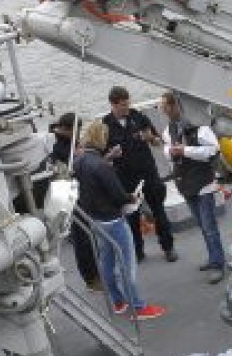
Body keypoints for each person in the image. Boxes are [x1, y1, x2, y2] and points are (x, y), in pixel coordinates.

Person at [73, 119, 167, 321]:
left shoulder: (79, 161)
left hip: (96, 220)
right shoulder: (101, 166)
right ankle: (137, 307)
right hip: (113, 221)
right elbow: (118, 196)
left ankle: (118, 302)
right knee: (127, 265)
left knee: (107, 262)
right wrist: (133, 197)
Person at [103, 86, 177, 263]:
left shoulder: (138, 117)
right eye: (123, 105)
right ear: (113, 104)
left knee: (158, 210)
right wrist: (111, 155)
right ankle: (137, 251)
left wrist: (150, 138)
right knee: (132, 216)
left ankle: (168, 247)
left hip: (147, 172)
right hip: (125, 177)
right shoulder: (105, 125)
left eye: (128, 103)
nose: (127, 108)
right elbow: (101, 157)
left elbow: (158, 141)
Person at [160, 92, 225, 285]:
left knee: (209, 227)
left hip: (203, 183)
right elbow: (166, 149)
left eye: (165, 106)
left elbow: (213, 150)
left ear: (175, 106)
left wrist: (185, 150)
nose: (163, 110)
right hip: (186, 183)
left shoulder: (200, 127)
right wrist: (171, 152)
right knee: (203, 226)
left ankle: (217, 264)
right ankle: (213, 258)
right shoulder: (168, 130)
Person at [48, 113, 100, 291]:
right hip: (73, 199)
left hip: (82, 194)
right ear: (68, 129)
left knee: (89, 236)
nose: (78, 133)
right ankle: (91, 279)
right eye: (77, 129)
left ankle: (96, 273)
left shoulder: (70, 145)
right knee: (83, 239)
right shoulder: (61, 149)